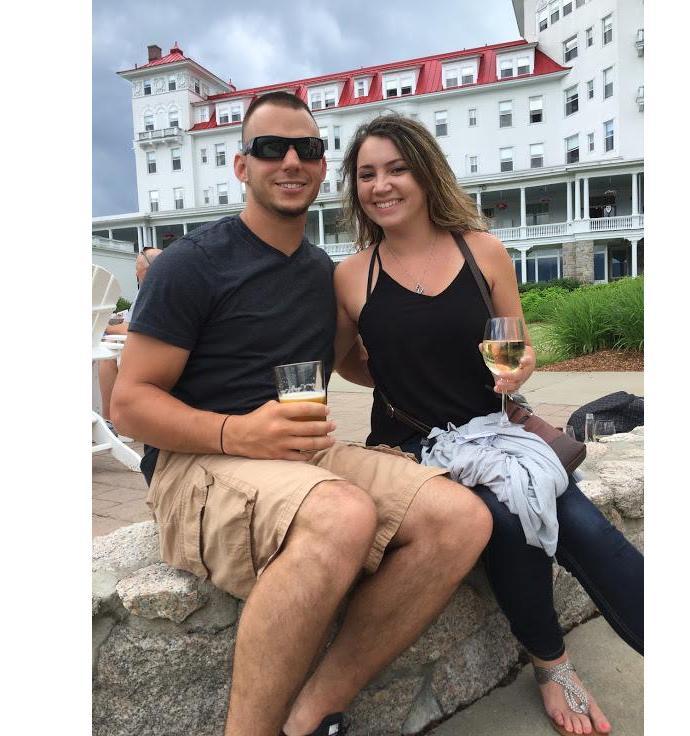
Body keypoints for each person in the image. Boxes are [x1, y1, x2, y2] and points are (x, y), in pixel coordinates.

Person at [111, 93, 492, 736]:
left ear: (321, 168)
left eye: (307, 149)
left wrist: (453, 359)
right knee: (343, 514)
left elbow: (359, 362)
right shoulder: (191, 264)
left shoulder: (323, 274)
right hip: (197, 460)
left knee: (461, 519)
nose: (290, 161)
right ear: (242, 166)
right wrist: (236, 431)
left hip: (297, 455)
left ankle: (315, 712)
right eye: (270, 148)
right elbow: (128, 403)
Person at [333, 114, 644, 736]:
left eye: (396, 169)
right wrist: (389, 376)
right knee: (506, 520)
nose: (381, 185)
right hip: (413, 446)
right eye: (367, 174)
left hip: (494, 433)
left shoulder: (483, 251)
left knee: (584, 524)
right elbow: (346, 360)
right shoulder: (351, 274)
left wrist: (519, 368)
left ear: (426, 173)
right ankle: (552, 665)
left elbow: (518, 349)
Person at [98, 247, 162, 432]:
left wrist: (103, 326)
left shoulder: (150, 291)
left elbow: (130, 329)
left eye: (137, 268)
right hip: (164, 346)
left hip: (152, 350)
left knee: (107, 356)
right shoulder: (166, 287)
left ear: (147, 270)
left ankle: (109, 421)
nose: (135, 273)